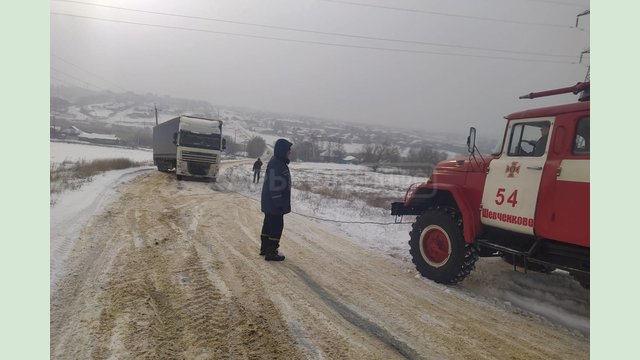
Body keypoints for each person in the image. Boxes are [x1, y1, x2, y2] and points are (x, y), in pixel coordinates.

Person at [259, 139, 293, 261]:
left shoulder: (277, 162)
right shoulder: (278, 164)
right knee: (276, 226)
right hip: (274, 204)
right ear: (282, 150)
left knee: (268, 225)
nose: (290, 153)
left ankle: (265, 248)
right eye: (288, 150)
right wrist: (279, 203)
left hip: (270, 203)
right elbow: (274, 186)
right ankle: (271, 252)